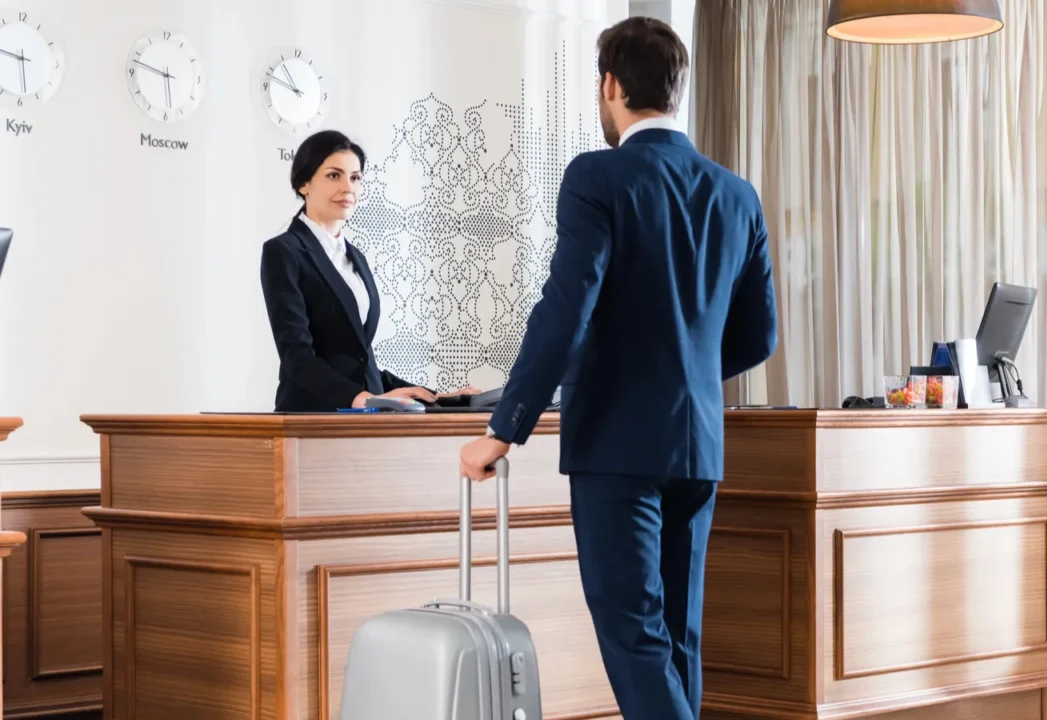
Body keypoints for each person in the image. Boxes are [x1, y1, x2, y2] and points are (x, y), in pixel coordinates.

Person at [459, 17, 777, 720]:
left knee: (633, 632)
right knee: (674, 637)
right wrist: (680, 371)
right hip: (697, 444)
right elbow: (760, 335)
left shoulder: (597, 175)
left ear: (609, 86)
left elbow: (565, 310)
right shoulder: (736, 194)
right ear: (677, 88)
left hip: (618, 446)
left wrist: (504, 430)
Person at [260, 129, 479, 412]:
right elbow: (297, 357)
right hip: (311, 416)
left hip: (362, 417)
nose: (347, 188)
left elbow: (357, 359)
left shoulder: (356, 258)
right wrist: (361, 398)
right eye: (333, 175)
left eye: (355, 178)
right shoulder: (284, 251)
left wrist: (436, 396)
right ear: (304, 183)